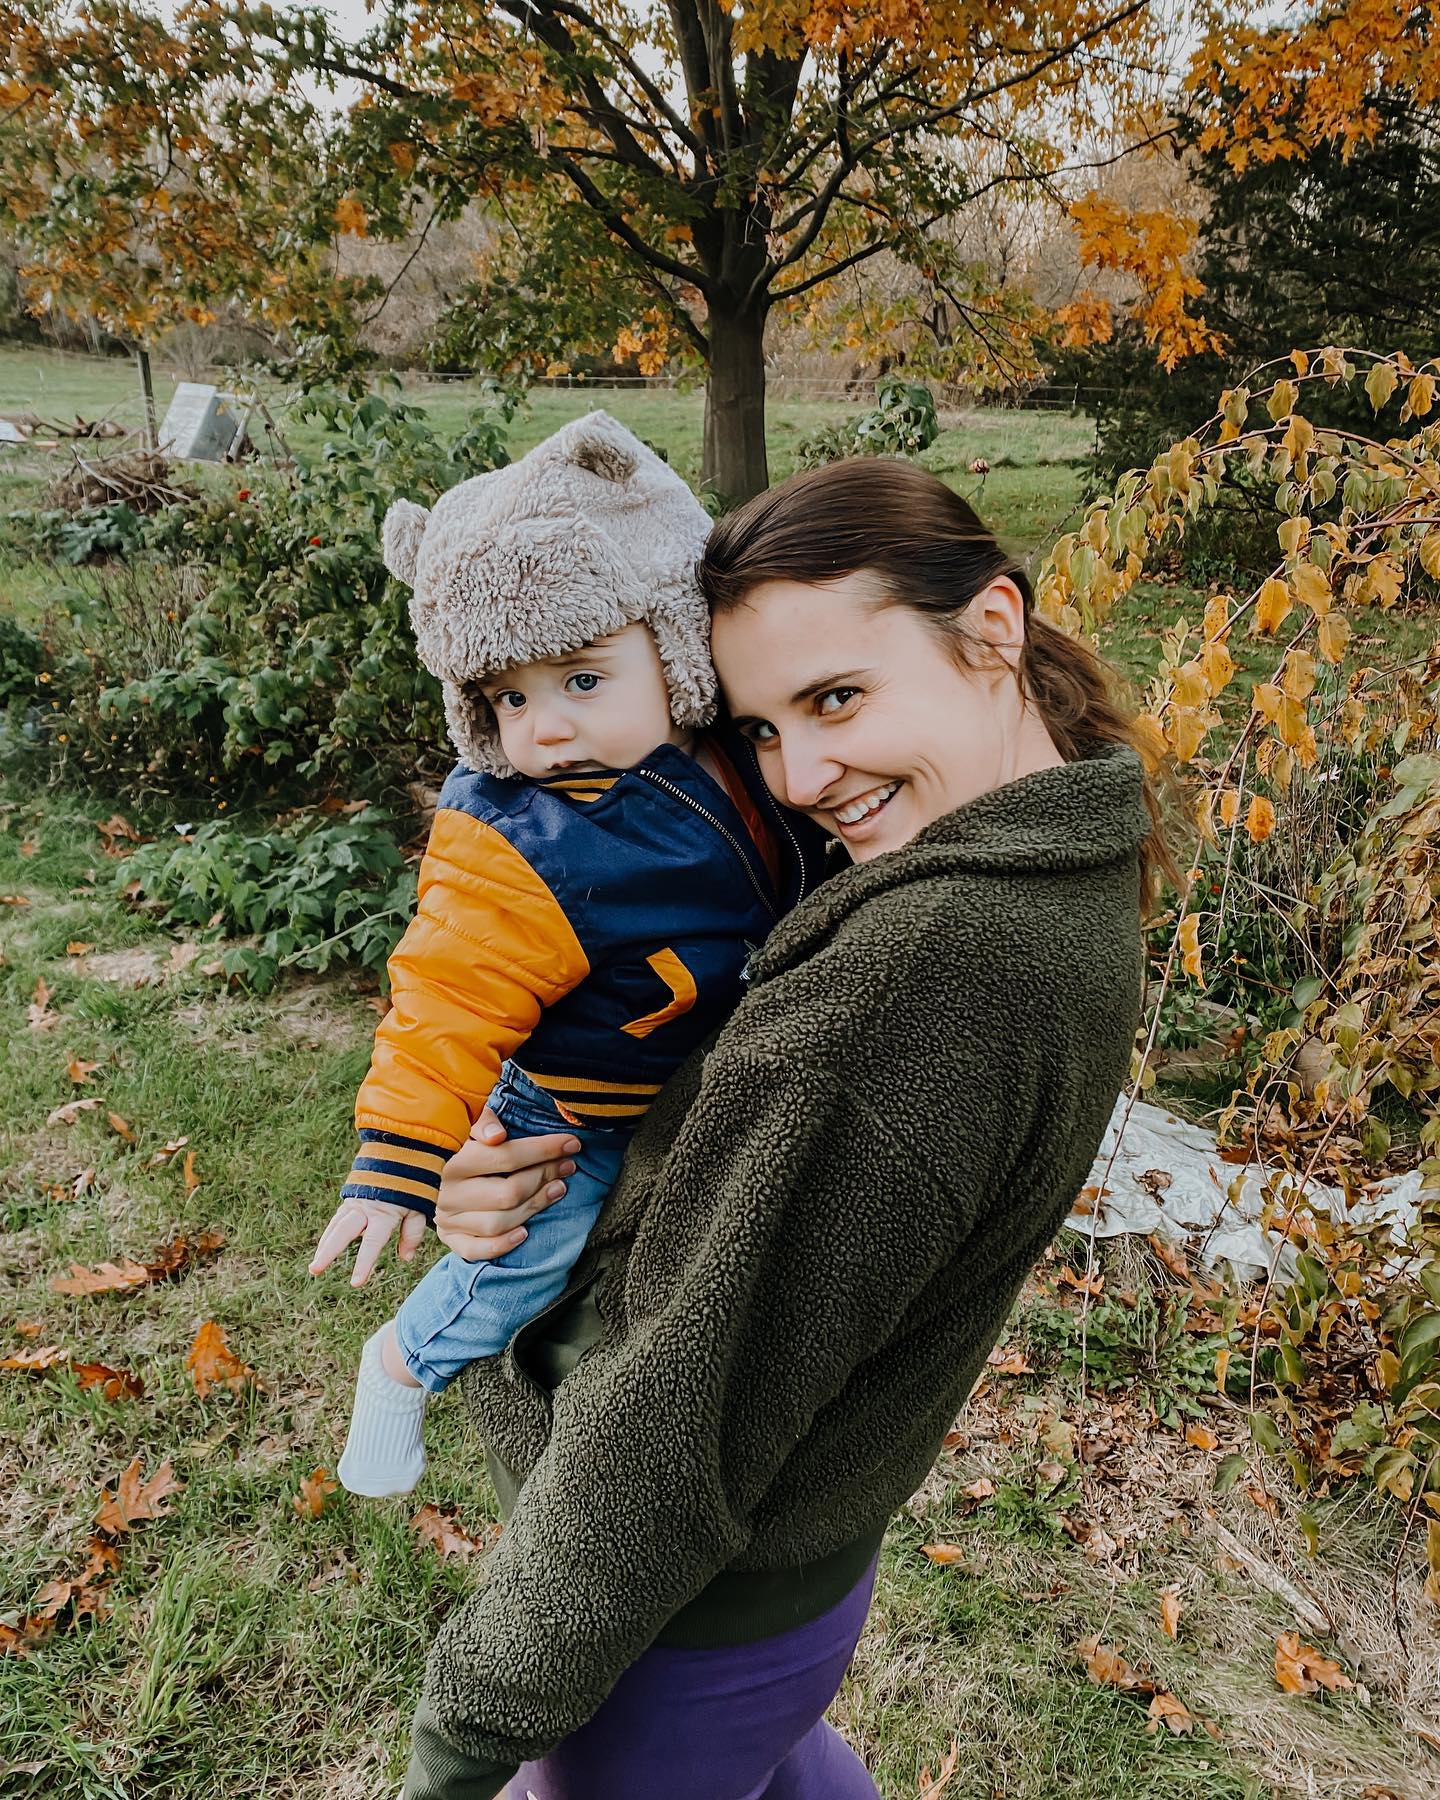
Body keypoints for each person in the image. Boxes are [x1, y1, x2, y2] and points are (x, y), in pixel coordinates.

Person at [396, 457, 1171, 1800]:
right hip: (795, 1569)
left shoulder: (924, 974)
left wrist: (466, 1735)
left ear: (994, 629)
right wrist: (527, 1176)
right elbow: (749, 1143)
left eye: (836, 698)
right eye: (756, 729)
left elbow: (670, 1420)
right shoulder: (1045, 857)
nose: (802, 774)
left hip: (676, 1617)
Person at [308, 412, 824, 1497]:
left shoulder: (728, 747)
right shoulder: (524, 840)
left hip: (678, 1051)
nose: (543, 729)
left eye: (581, 679)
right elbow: (444, 995)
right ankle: (405, 1363)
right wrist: (400, 1157)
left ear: (674, 647)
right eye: (508, 698)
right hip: (570, 1104)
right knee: (536, 1248)